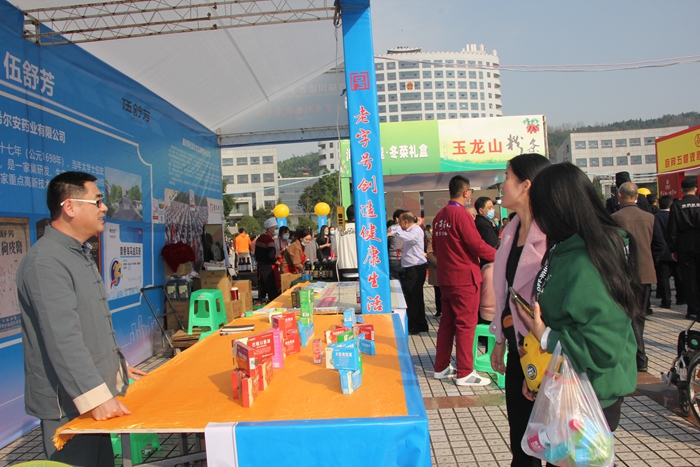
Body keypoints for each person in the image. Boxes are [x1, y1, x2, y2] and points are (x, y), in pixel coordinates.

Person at [16, 171, 146, 465]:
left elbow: (89, 323)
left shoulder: (76, 253)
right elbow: (63, 339)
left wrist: (114, 364)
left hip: (92, 397)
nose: (104, 208)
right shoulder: (46, 262)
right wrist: (95, 397)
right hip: (70, 405)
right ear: (69, 207)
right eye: (97, 201)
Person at [519, 162, 641, 437]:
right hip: (564, 384)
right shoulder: (565, 248)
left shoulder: (588, 260)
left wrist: (546, 336)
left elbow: (602, 345)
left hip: (588, 395)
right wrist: (539, 373)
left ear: (556, 208)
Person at [490, 154, 552, 466]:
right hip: (519, 351)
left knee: (555, 443)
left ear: (526, 185)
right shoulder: (511, 231)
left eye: (506, 176)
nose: (501, 184)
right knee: (522, 442)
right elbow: (506, 292)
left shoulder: (553, 234)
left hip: (549, 354)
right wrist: (499, 339)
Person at [432, 175, 496, 386]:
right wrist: (500, 255)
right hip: (465, 279)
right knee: (466, 325)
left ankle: (441, 367)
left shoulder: (440, 216)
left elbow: (436, 247)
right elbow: (477, 245)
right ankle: (465, 372)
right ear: (466, 192)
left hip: (446, 278)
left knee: (447, 324)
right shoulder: (461, 215)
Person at [611, 182, 665, 372]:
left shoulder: (614, 219)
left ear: (620, 196)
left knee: (627, 314)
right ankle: (640, 356)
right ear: (637, 197)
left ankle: (638, 356)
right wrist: (649, 260)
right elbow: (659, 245)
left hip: (622, 273)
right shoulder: (650, 217)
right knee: (639, 315)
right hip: (645, 272)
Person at [390, 212, 429, 334]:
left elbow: (407, 237)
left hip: (415, 268)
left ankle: (413, 326)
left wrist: (393, 232)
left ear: (406, 221)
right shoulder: (411, 230)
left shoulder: (415, 231)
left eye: (400, 222)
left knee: (412, 298)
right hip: (412, 268)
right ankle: (421, 324)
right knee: (416, 297)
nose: (399, 225)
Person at [667, 176, 700, 320]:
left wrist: (673, 249)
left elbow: (672, 229)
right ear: (696, 189)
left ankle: (693, 310)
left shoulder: (677, 206)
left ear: (682, 190)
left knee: (689, 278)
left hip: (684, 244)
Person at [655, 195, 685, 308]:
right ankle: (681, 298)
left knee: (663, 278)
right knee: (679, 276)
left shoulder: (655, 217)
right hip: (675, 251)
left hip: (662, 252)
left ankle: (666, 301)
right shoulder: (676, 215)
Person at [255, 218, 280, 303]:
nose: (276, 230)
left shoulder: (259, 238)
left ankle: (260, 305)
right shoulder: (269, 240)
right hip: (268, 268)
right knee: (272, 290)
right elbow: (271, 255)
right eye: (275, 228)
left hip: (260, 268)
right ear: (270, 228)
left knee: (262, 290)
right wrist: (277, 262)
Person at [336, 205, 359, 280]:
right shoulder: (362, 228)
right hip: (362, 268)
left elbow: (335, 249)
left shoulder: (339, 230)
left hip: (344, 268)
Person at [426, 229, 441, 318]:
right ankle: (439, 310)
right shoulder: (433, 237)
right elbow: (429, 254)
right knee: (438, 291)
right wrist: (440, 264)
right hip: (437, 269)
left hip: (450, 270)